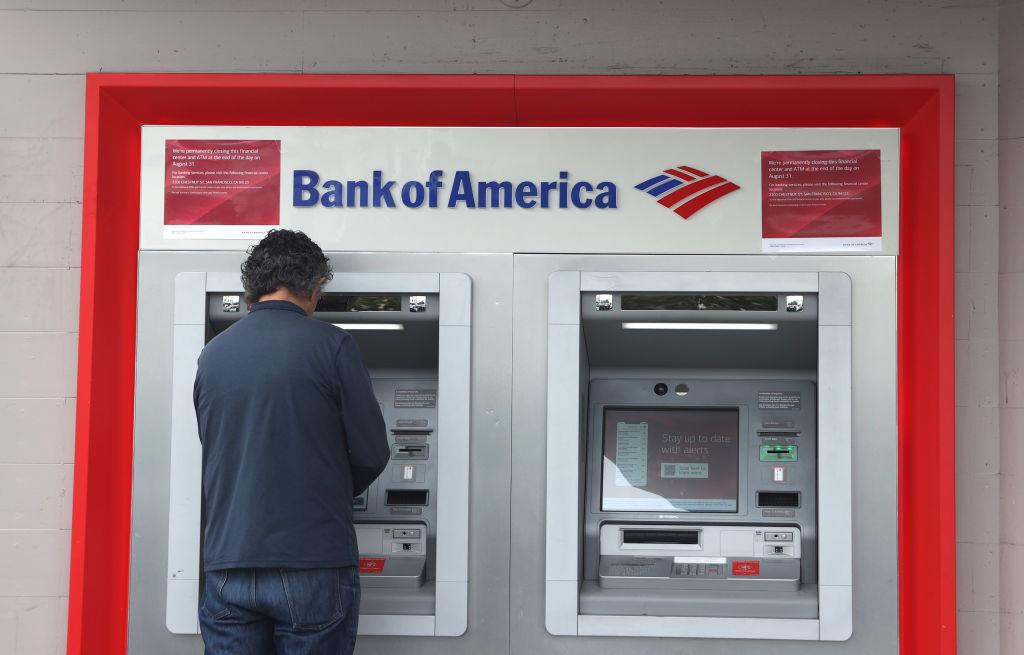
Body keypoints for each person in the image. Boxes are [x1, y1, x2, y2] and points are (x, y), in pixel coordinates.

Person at [194, 229, 390, 654]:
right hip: (312, 561)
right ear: (315, 287)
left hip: (229, 562)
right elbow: (373, 452)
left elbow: (217, 449)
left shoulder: (214, 353)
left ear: (254, 286)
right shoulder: (332, 346)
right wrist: (328, 489)